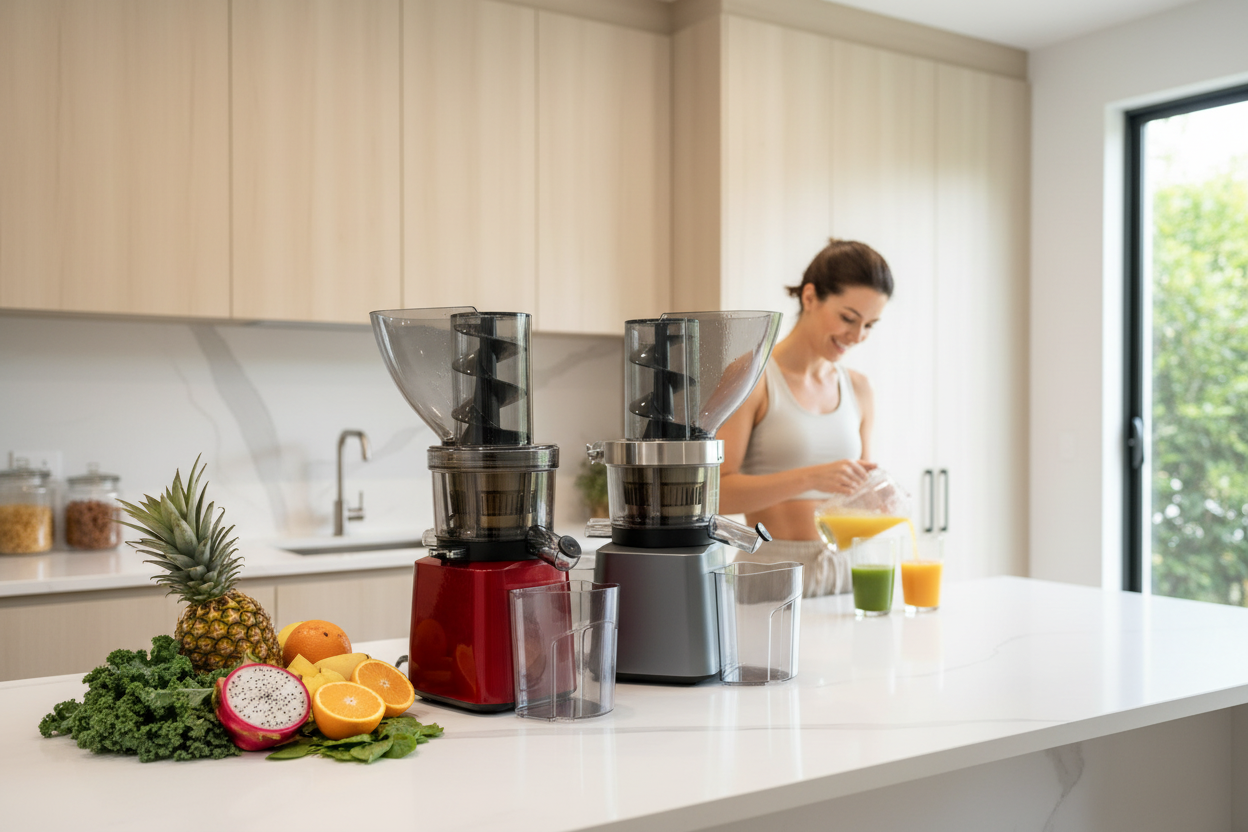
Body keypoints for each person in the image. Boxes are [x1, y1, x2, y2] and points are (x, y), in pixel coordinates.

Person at [718, 238, 893, 597]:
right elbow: (714, 496)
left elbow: (857, 492)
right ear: (810, 297)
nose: (857, 336)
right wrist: (811, 477)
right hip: (772, 569)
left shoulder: (859, 388)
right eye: (848, 318)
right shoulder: (752, 377)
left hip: (848, 571)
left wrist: (877, 498)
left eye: (870, 325)